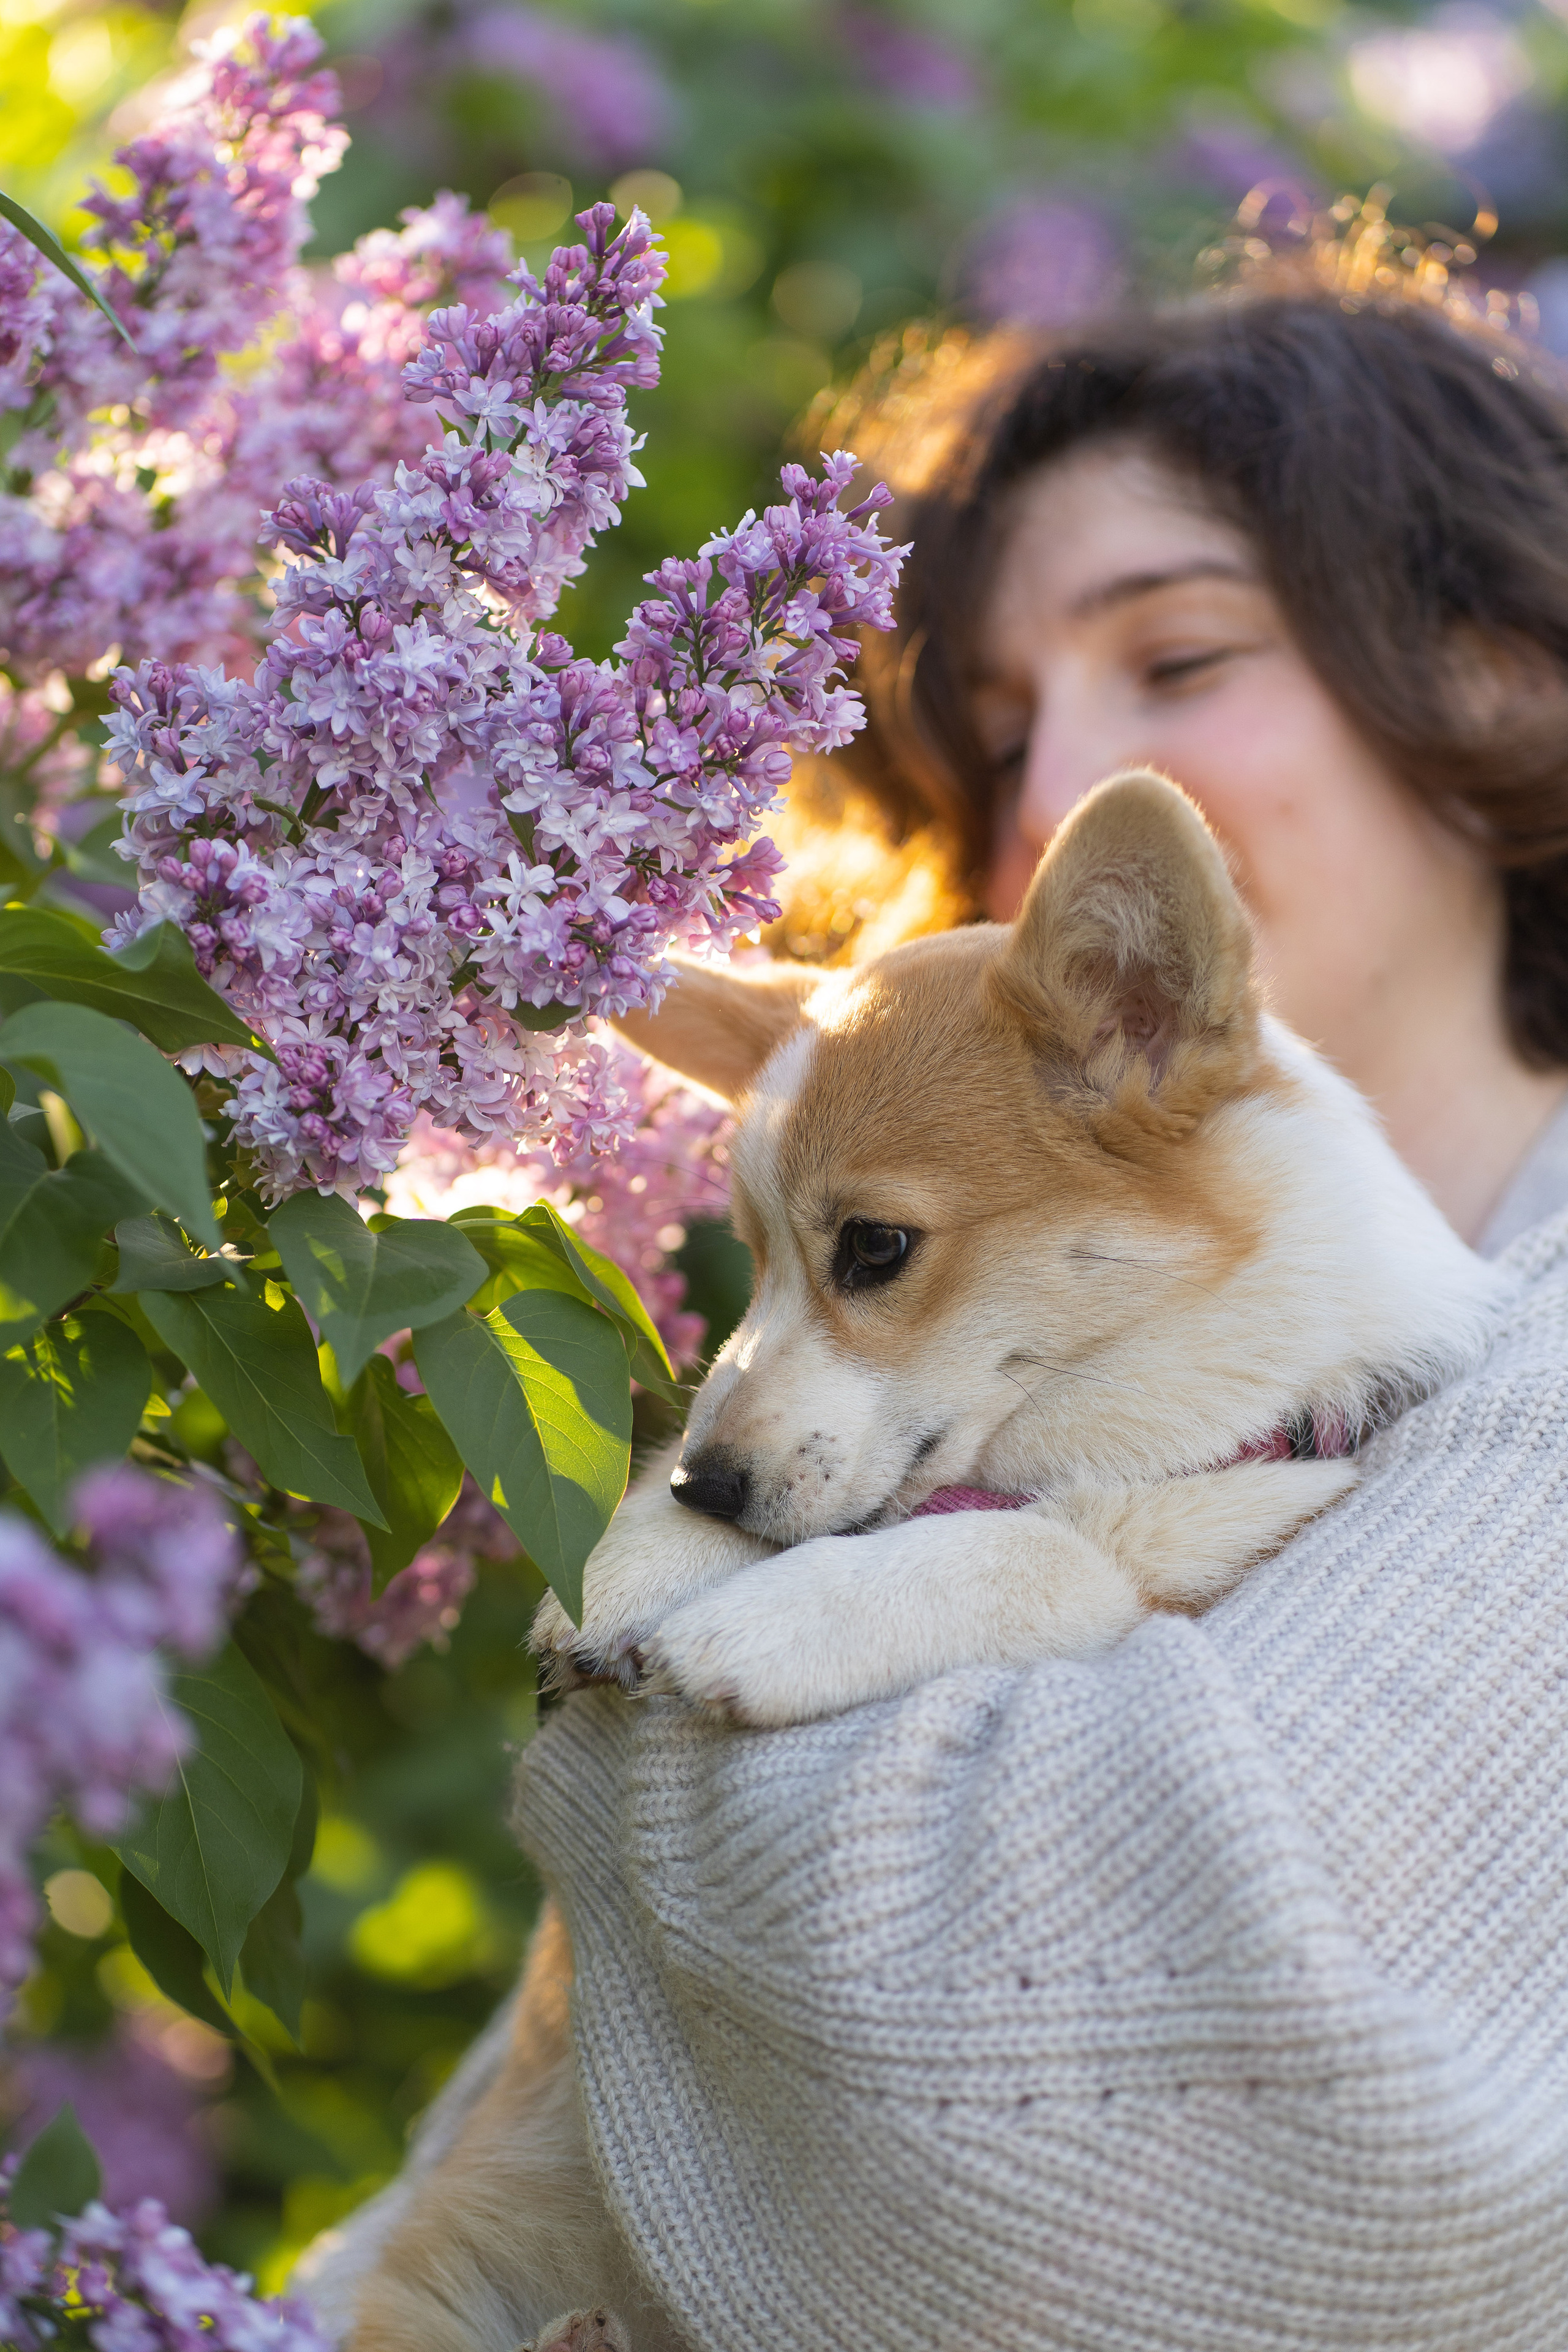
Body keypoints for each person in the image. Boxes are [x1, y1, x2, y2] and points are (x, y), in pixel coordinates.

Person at [304, 198, 1568, 2349]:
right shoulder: (967, 1361)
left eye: (1175, 659)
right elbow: (528, 2155)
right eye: (993, 731)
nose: (1065, 782)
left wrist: (665, 1673)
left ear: (1499, 668)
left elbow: (1082, 2140)